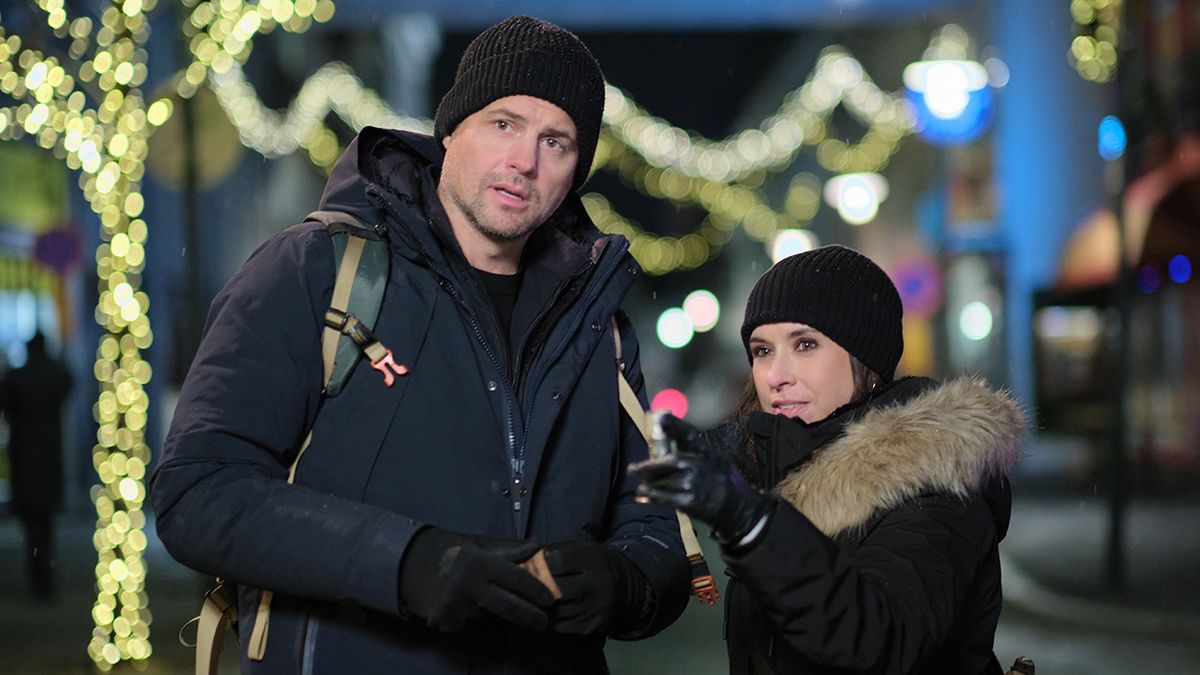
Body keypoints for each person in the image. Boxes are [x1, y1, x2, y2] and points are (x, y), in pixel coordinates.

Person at [150, 15, 690, 673]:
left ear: (577, 168)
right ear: (451, 127)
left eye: (557, 140)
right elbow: (199, 493)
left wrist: (623, 580)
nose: (524, 160)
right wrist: (408, 562)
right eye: (504, 123)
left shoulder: (597, 322)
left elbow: (657, 529)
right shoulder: (316, 271)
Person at [631, 245, 1026, 674]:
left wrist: (754, 525)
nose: (776, 375)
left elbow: (879, 640)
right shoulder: (766, 466)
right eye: (763, 351)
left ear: (866, 361)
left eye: (805, 344)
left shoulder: (938, 482)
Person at [0, 332, 73, 601]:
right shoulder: (55, 374)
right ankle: (45, 578)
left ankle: (37, 576)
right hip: (48, 455)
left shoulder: (18, 377)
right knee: (45, 523)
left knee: (32, 524)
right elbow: (68, 384)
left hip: (25, 456)